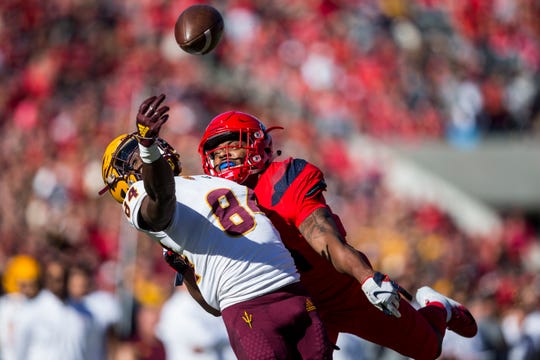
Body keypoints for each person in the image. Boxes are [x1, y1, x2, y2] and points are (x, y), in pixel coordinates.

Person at [195, 110, 479, 360]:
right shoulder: (208, 204)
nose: (224, 155)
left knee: (427, 349)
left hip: (343, 292)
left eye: (232, 145)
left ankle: (439, 307)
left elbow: (323, 235)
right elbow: (213, 303)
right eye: (217, 151)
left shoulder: (283, 179)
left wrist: (366, 277)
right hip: (289, 304)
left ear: (257, 144)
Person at [100, 93, 334, 360]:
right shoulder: (140, 196)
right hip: (248, 301)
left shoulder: (203, 180)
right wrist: (147, 148)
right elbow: (160, 202)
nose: (143, 160)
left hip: (290, 287)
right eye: (133, 161)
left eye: (142, 152)